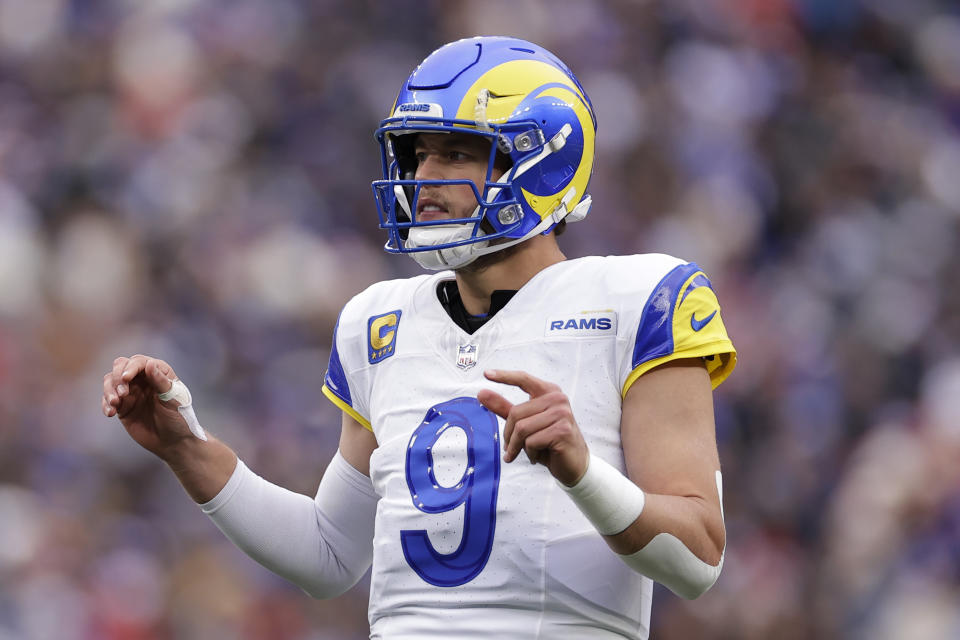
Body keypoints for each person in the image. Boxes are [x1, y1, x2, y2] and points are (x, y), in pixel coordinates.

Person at [101, 36, 736, 639]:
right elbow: (328, 555)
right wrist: (186, 448)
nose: (424, 178)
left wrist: (583, 473)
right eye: (416, 154)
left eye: (456, 152)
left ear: (541, 162)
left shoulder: (639, 300)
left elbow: (698, 559)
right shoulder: (378, 321)